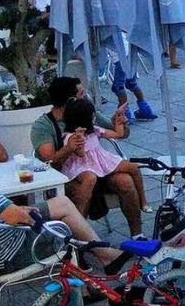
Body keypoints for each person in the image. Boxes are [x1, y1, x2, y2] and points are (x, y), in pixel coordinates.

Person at [0, 133, 123, 274]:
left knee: (62, 204)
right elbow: (19, 218)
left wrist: (16, 210)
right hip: (7, 256)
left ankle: (105, 254)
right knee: (63, 229)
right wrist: (23, 212)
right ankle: (86, 286)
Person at [31, 78, 137, 235]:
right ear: (71, 100)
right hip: (65, 176)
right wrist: (69, 148)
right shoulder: (43, 125)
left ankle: (137, 235)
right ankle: (77, 241)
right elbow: (49, 161)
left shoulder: (86, 111)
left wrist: (121, 122)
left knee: (125, 180)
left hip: (95, 167)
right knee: (87, 182)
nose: (86, 96)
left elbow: (120, 134)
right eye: (82, 93)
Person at [59, 97, 149, 233]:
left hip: (101, 162)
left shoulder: (94, 130)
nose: (94, 118)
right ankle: (79, 225)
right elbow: (81, 154)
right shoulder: (71, 136)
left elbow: (118, 134)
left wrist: (118, 118)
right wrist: (80, 139)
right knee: (89, 179)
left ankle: (143, 201)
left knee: (134, 167)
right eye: (91, 116)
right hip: (83, 166)